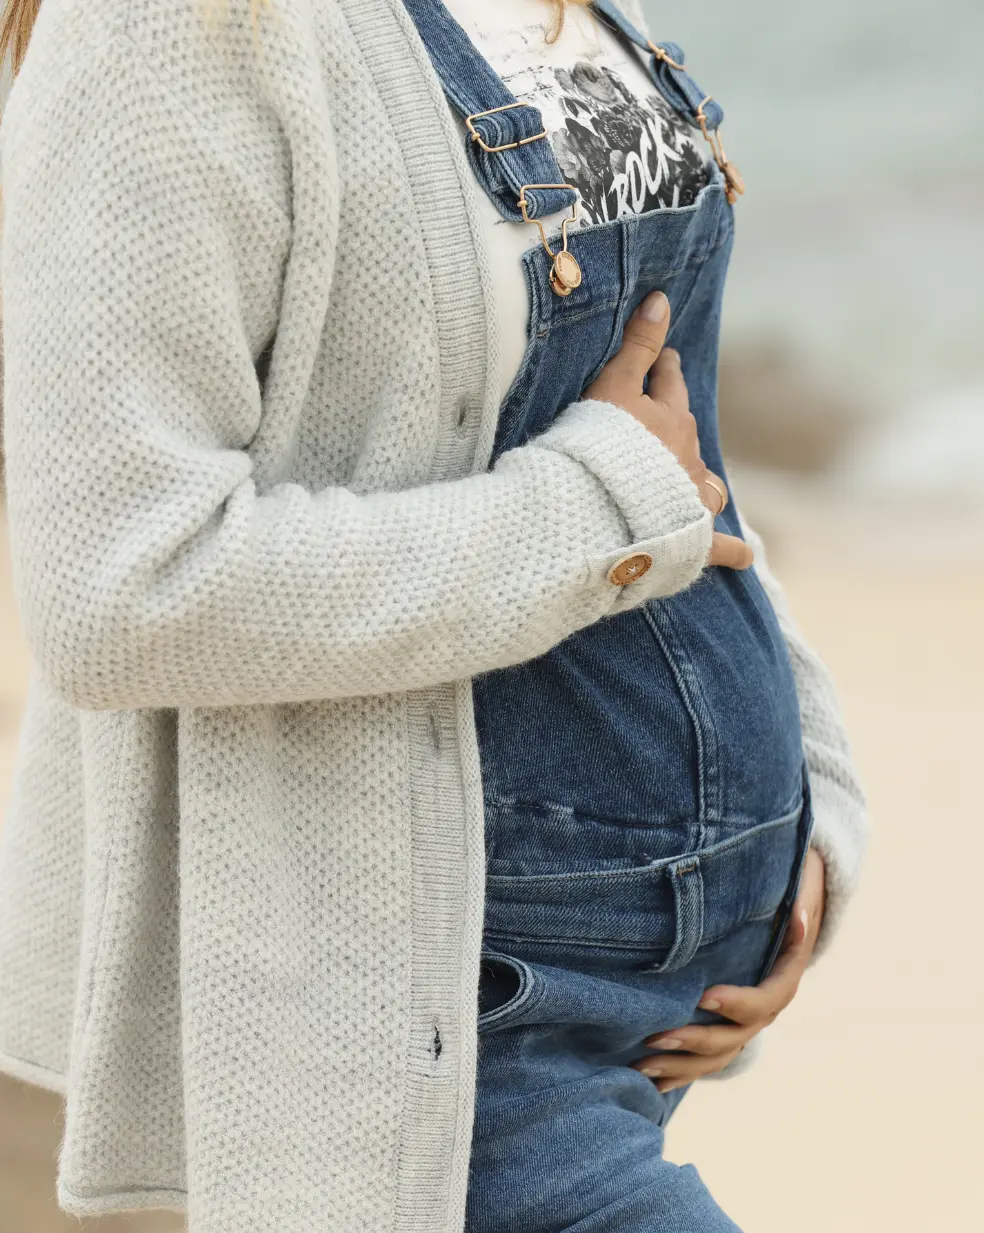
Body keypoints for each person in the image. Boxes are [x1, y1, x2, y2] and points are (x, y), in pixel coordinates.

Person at [0, 0, 869, 1230]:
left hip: (653, 1017)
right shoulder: (166, 25)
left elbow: (673, 457)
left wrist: (815, 799)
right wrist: (594, 512)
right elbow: (122, 590)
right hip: (442, 1001)